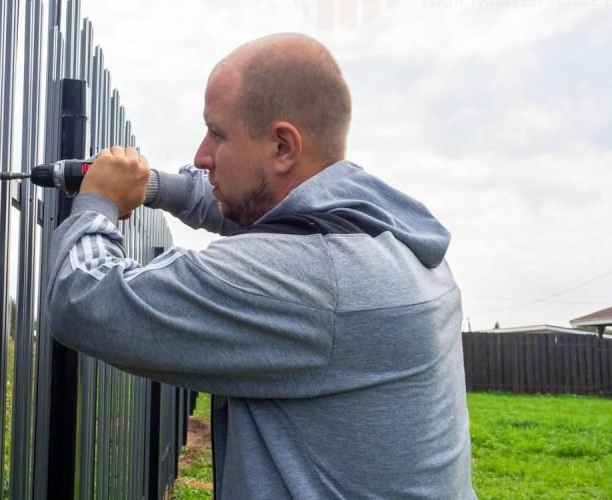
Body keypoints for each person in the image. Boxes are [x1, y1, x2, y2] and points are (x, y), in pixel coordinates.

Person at [47, 33, 475, 498]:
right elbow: (243, 209)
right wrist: (149, 184)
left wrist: (97, 201)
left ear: (282, 147)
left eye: (219, 133)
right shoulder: (384, 234)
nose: (200, 156)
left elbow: (84, 298)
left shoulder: (310, 280)